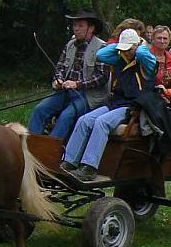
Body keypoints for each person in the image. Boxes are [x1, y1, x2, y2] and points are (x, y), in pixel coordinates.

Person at [60, 28, 156, 181]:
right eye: (123, 49)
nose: (126, 53)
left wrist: (139, 46)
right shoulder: (119, 58)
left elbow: (145, 55)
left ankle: (89, 167)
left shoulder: (146, 63)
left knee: (101, 122)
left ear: (136, 47)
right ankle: (69, 162)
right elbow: (101, 55)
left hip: (132, 107)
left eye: (129, 50)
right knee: (84, 120)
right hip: (115, 103)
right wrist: (120, 46)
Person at [28, 10, 109, 140]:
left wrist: (78, 84)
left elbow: (101, 77)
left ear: (91, 28)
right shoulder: (70, 45)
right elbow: (60, 67)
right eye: (74, 25)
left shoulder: (102, 48)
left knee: (66, 116)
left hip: (89, 96)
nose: (76, 29)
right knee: (40, 109)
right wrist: (57, 80)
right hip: (65, 91)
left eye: (80, 25)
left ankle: (51, 151)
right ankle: (30, 147)